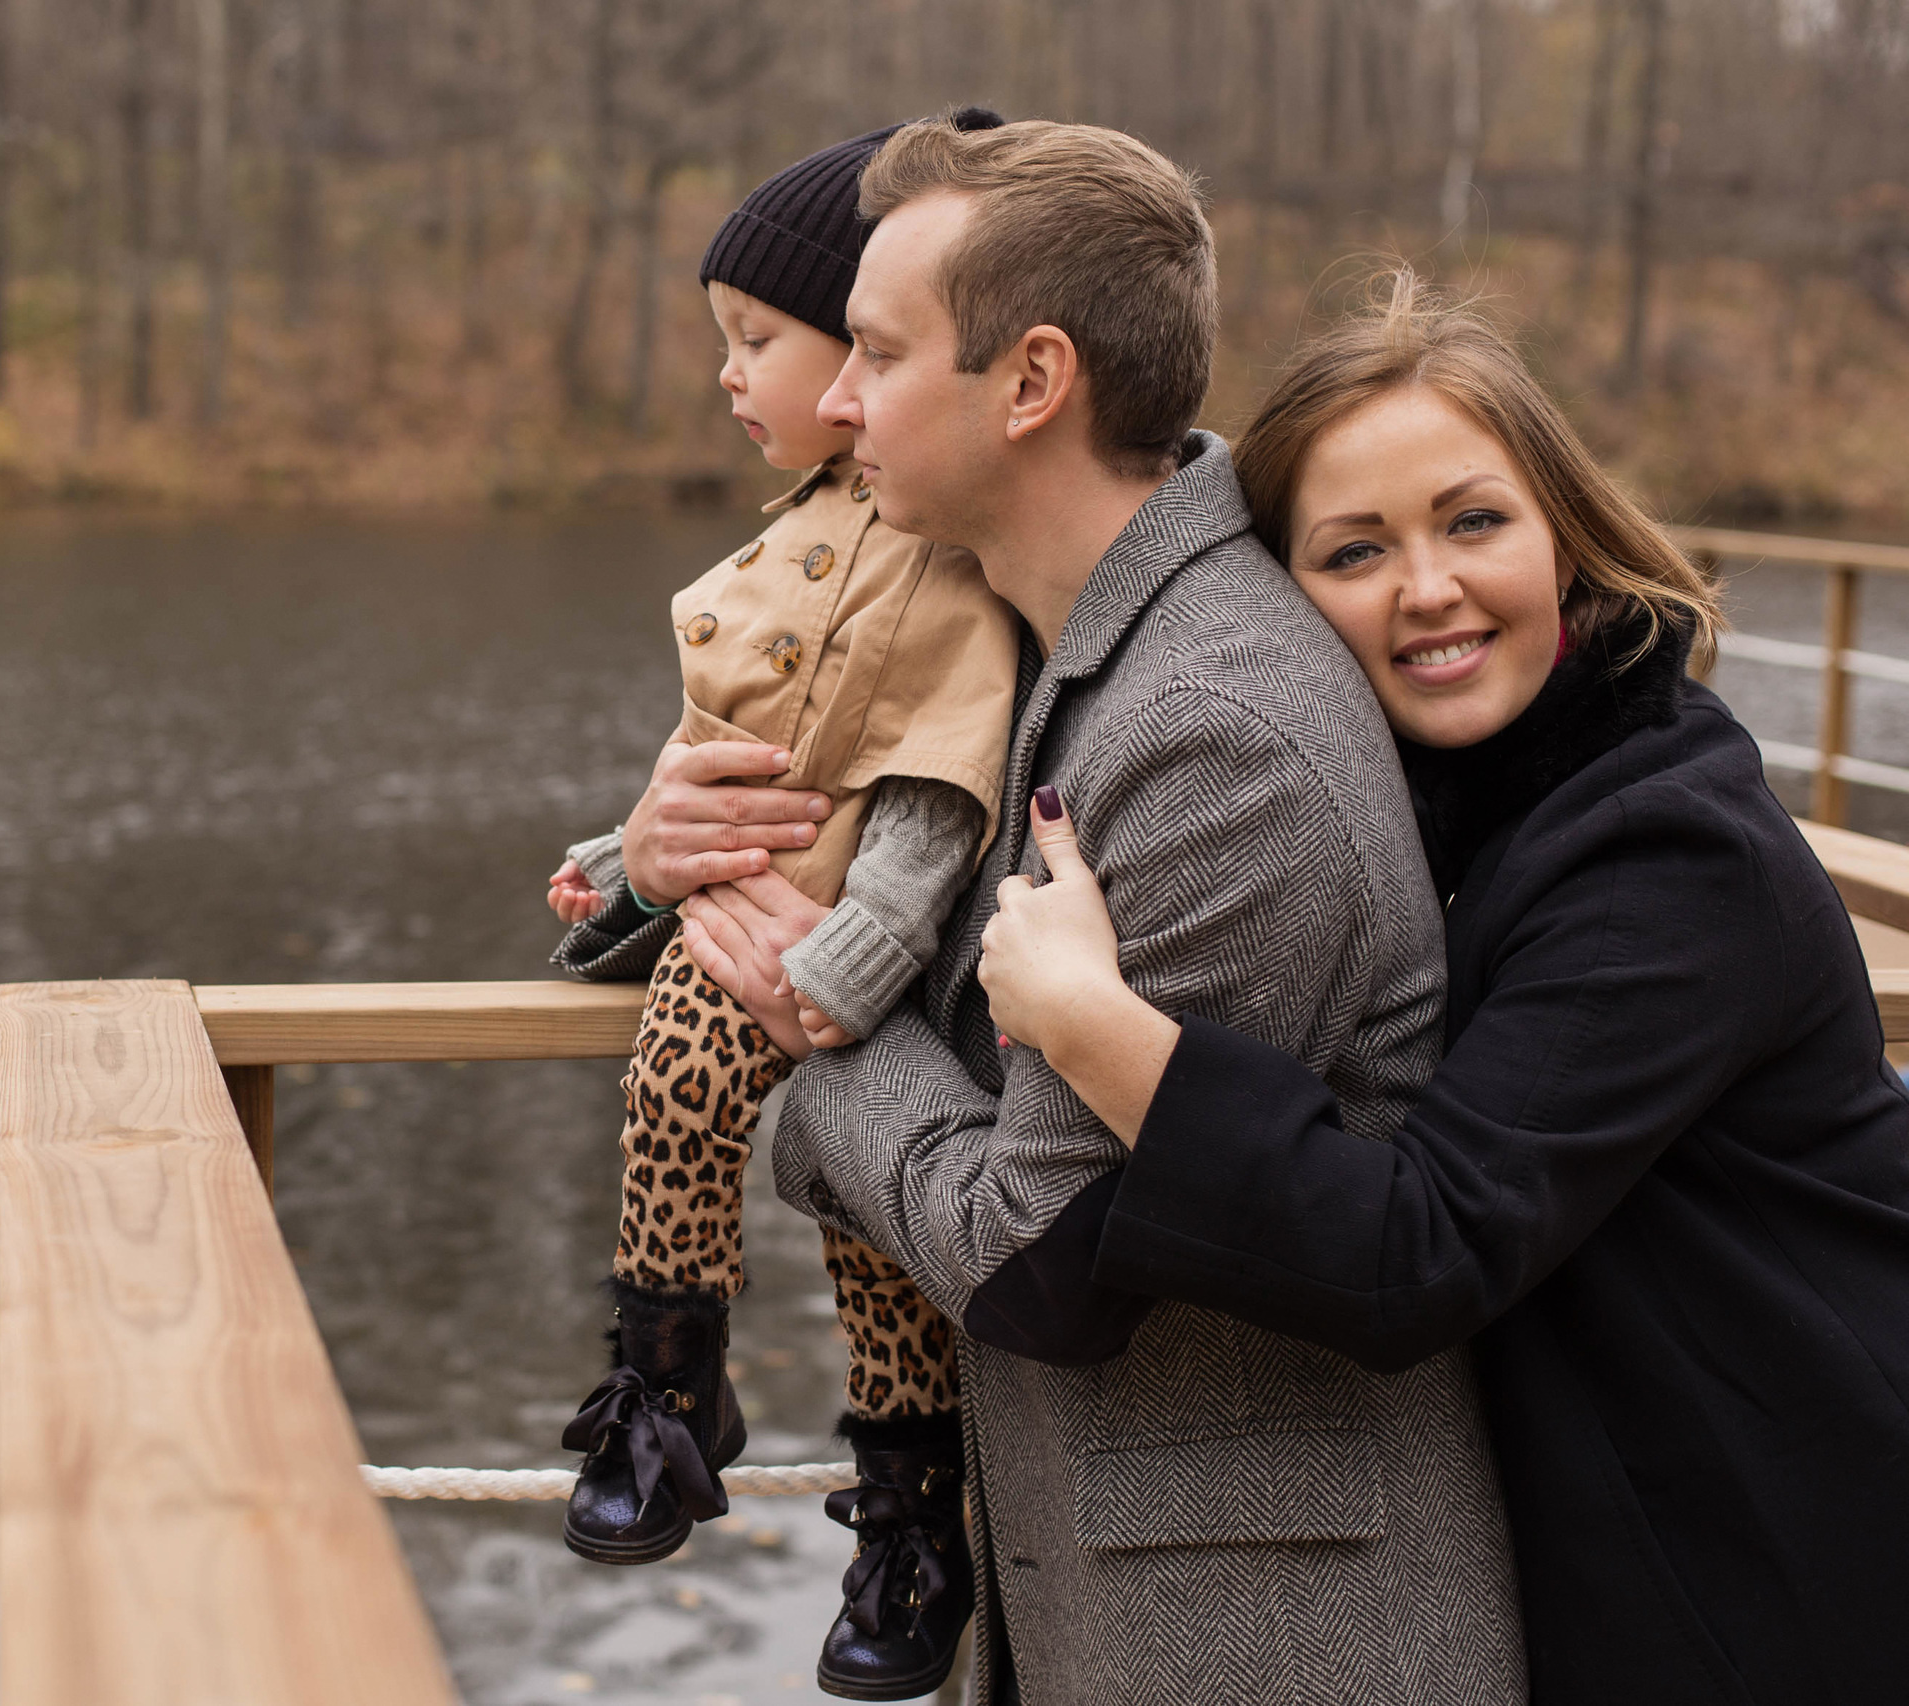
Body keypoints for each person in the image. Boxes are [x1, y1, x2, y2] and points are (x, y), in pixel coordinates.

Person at [641, 120, 1526, 1701]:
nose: (837, 398)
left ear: (1032, 382)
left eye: (884, 352)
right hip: (1097, 1608)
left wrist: (815, 1037)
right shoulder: (1046, 646)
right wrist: (650, 857)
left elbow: (1025, 1253)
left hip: (1270, 1644)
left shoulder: (1214, 738)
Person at [974, 271, 1909, 1705]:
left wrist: (1098, 1027)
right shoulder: (1439, 809)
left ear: (1566, 536)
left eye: (1476, 521)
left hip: (1787, 1548)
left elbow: (1420, 1245)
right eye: (1355, 551)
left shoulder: (1667, 851)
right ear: (1283, 600)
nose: (1429, 588)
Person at [545, 111, 1020, 1701]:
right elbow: (717, 753)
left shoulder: (949, 546)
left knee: (876, 1234)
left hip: (851, 966)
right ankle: (669, 1385)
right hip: (745, 933)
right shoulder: (795, 540)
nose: (730, 377)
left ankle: (906, 1508)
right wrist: (623, 868)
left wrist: (866, 943)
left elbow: (934, 771)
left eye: (758, 339)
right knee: (675, 1092)